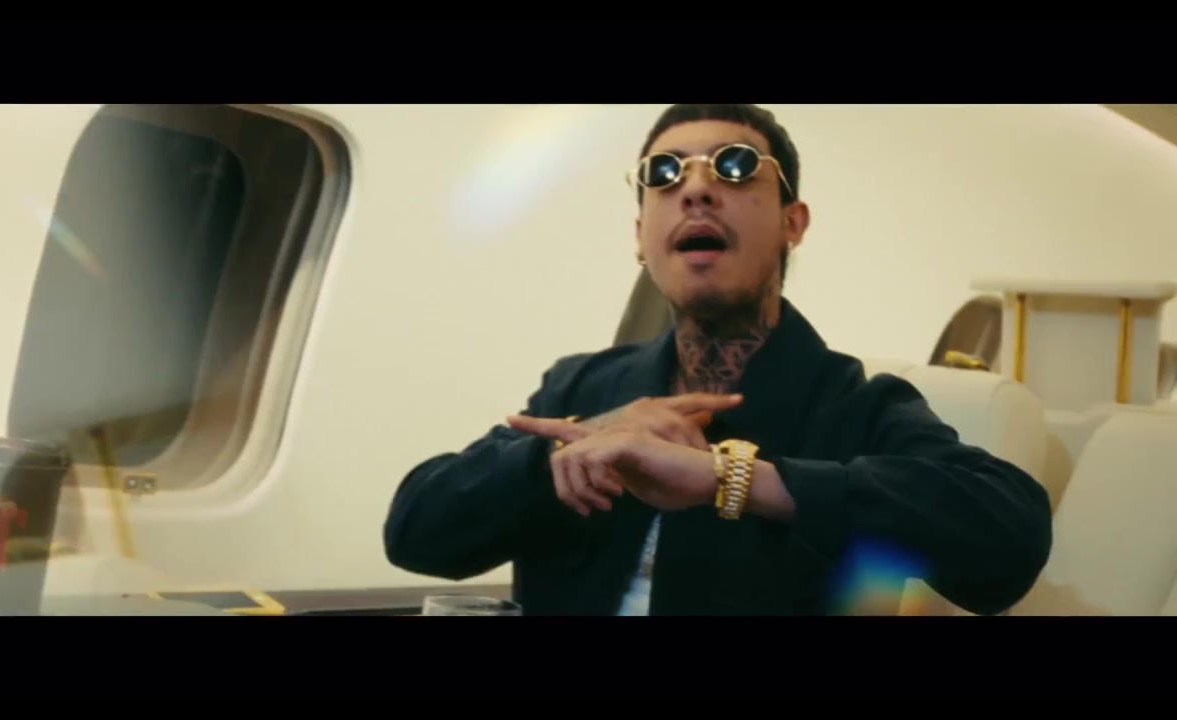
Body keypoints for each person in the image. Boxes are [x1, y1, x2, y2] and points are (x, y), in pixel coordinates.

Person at [382, 103, 1053, 616]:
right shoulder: (582, 388)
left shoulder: (858, 406)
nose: (695, 190)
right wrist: (564, 453)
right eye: (664, 174)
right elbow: (415, 533)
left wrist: (733, 480)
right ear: (641, 237)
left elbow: (1008, 540)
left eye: (735, 167)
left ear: (793, 222)